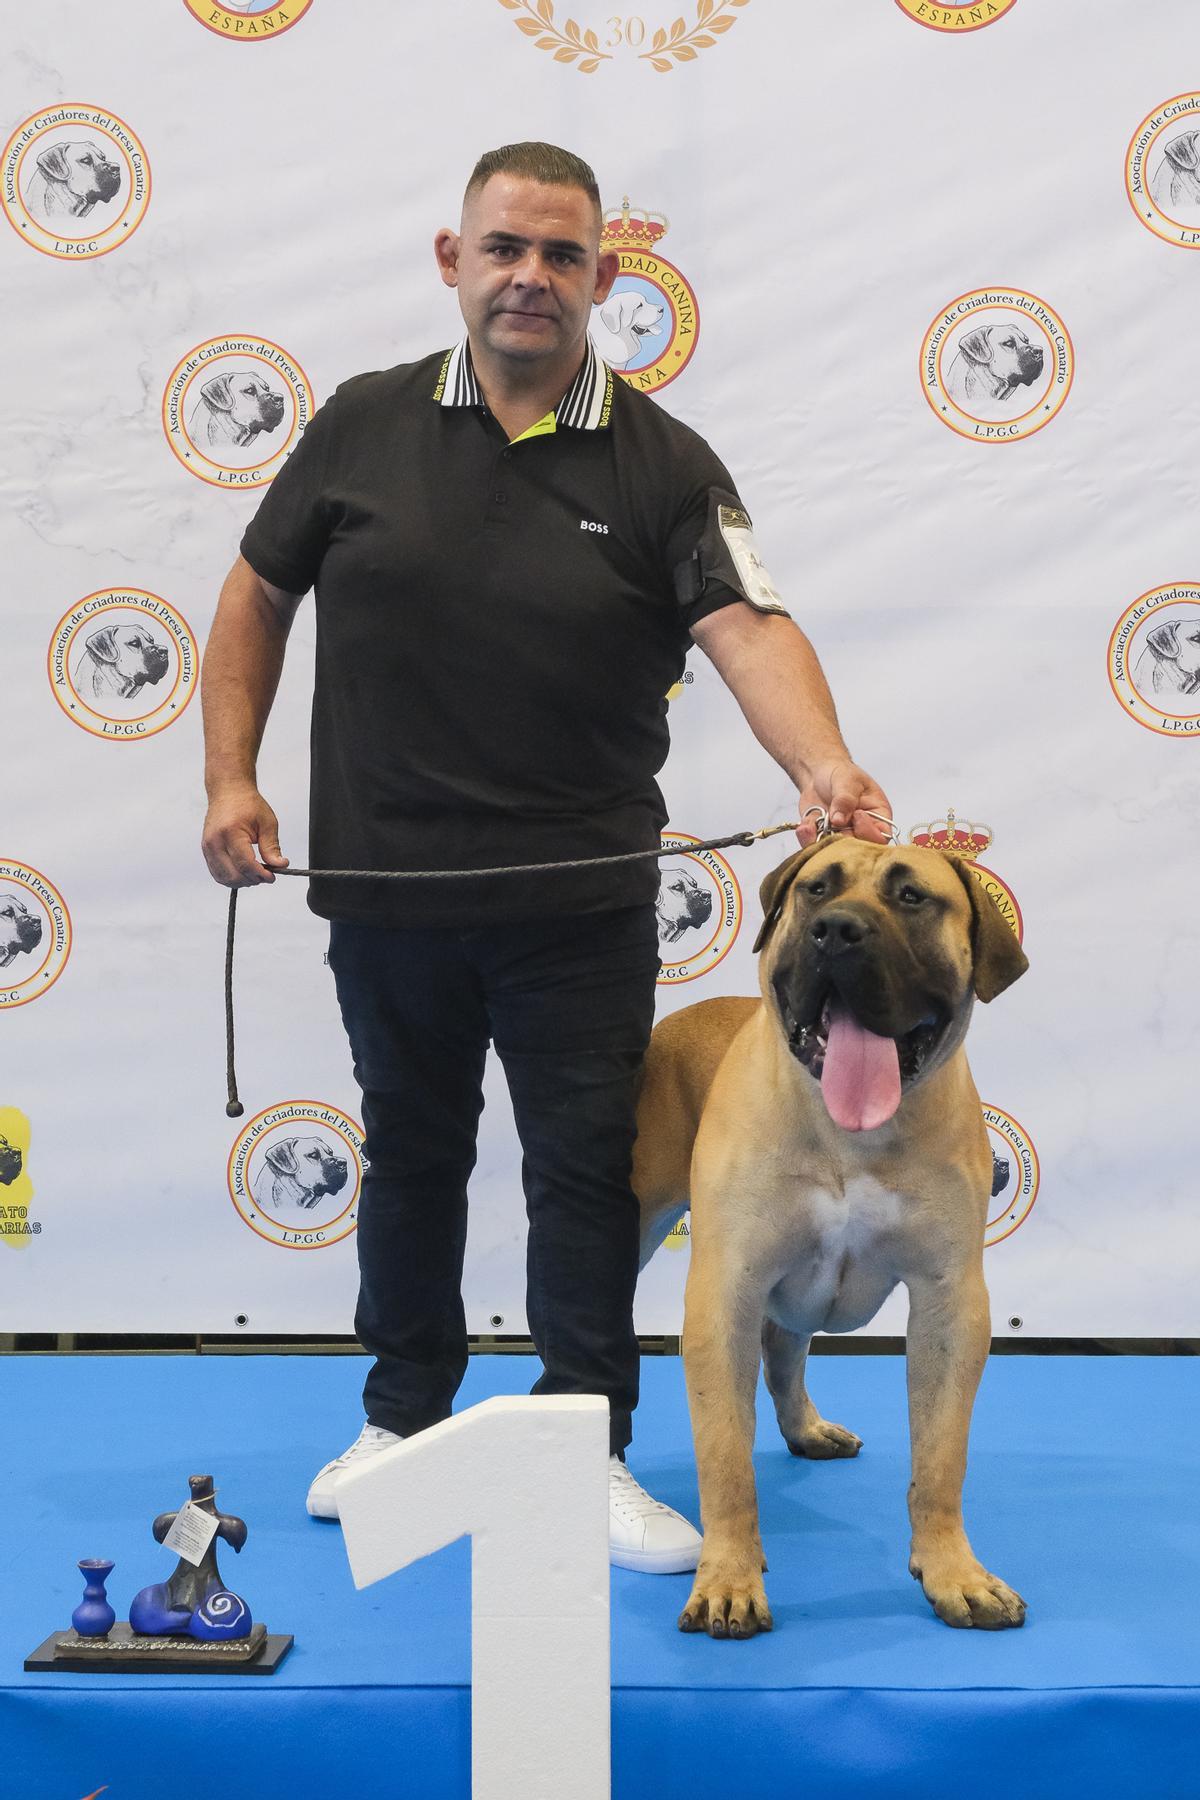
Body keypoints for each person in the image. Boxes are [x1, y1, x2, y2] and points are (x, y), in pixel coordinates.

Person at [200, 141, 892, 1573]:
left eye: (561, 255)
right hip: (389, 895)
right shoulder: (357, 429)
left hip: (578, 909)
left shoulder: (664, 462)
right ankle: (401, 1425)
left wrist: (821, 764)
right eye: (504, 248)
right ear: (452, 261)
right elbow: (257, 595)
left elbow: (749, 631)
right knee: (411, 1158)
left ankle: (583, 1438)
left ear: (604, 280)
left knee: (584, 1174)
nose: (531, 278)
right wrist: (228, 776)